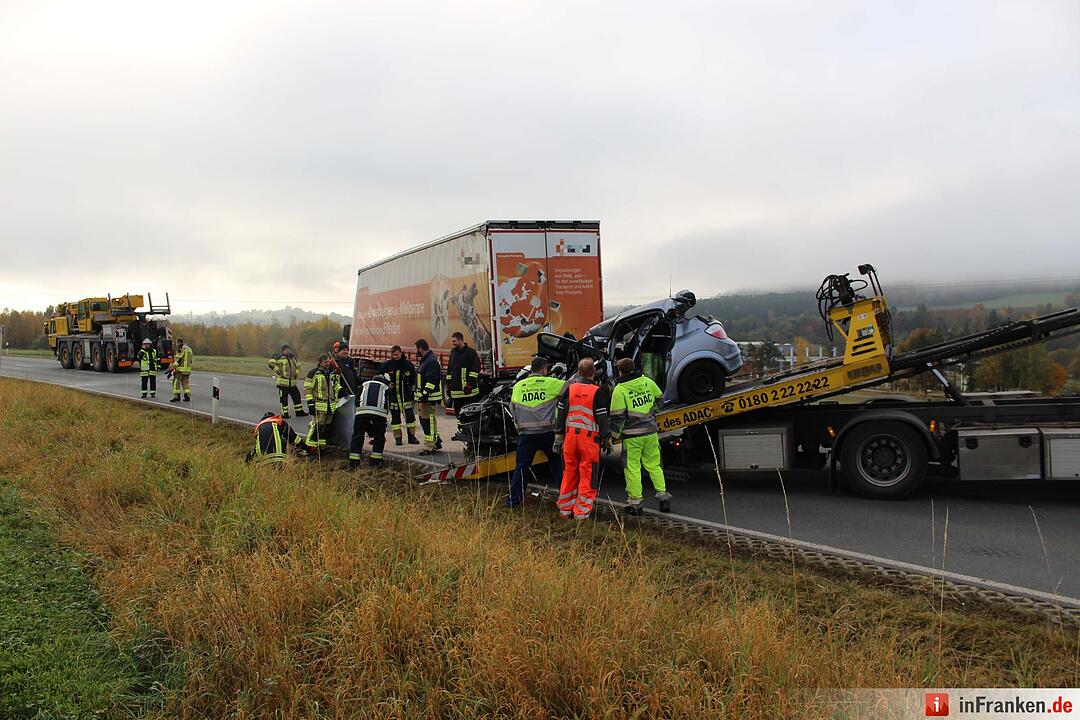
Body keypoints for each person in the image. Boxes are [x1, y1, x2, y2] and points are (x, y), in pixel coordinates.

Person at [610, 357, 671, 515]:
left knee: (632, 468)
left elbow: (617, 417)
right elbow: (660, 399)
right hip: (650, 432)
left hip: (632, 436)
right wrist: (651, 413)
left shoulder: (620, 389)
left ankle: (636, 504)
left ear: (620, 371)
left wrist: (612, 436)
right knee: (654, 466)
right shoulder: (647, 382)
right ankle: (663, 498)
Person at [554, 358, 611, 520]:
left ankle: (565, 510)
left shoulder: (569, 389)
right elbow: (602, 418)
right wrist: (606, 438)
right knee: (588, 475)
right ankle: (581, 513)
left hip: (570, 438)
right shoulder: (597, 392)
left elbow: (561, 414)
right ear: (593, 373)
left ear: (579, 372)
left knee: (569, 473)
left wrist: (558, 436)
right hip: (589, 440)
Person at [507, 356, 566, 508]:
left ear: (531, 369)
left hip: (526, 434)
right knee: (556, 464)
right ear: (545, 369)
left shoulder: (518, 386)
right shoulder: (552, 383)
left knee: (521, 467)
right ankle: (566, 499)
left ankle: (514, 501)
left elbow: (512, 407)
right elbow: (572, 389)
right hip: (547, 433)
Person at [378, 345, 419, 446]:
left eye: (397, 354)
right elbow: (379, 375)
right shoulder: (388, 364)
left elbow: (414, 380)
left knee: (410, 418)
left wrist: (413, 394)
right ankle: (398, 438)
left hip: (406, 396)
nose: (395, 357)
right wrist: (387, 383)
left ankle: (412, 437)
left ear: (401, 353)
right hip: (394, 396)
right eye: (393, 355)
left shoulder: (408, 365)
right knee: (395, 419)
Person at [350, 374, 391, 468]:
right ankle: (375, 462)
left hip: (362, 412)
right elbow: (388, 404)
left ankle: (354, 462)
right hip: (380, 413)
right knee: (379, 436)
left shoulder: (364, 385)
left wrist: (368, 428)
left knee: (357, 435)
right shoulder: (385, 388)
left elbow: (356, 400)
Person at [414, 339, 444, 456]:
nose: (415, 351)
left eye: (416, 349)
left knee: (427, 422)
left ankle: (429, 446)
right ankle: (436, 441)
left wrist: (425, 394)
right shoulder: (427, 360)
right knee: (427, 420)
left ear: (420, 348)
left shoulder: (431, 361)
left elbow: (432, 380)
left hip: (428, 398)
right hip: (425, 398)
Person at [303, 353, 335, 455]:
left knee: (325, 428)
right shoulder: (313, 373)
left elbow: (335, 385)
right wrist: (310, 404)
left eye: (328, 361)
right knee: (316, 427)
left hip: (330, 406)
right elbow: (307, 389)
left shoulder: (331, 373)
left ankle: (321, 448)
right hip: (320, 405)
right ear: (320, 362)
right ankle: (309, 448)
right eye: (325, 362)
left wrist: (341, 390)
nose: (327, 364)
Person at [445, 331, 481, 414]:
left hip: (469, 393)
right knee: (459, 415)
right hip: (456, 392)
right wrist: (448, 385)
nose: (453, 343)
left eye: (454, 341)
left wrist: (469, 385)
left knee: (470, 415)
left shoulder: (471, 352)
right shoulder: (453, 352)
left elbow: (475, 370)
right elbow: (450, 370)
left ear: (460, 340)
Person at [268, 344, 307, 418]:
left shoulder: (292, 358)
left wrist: (296, 374)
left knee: (297, 397)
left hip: (292, 383)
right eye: (286, 349)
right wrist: (278, 371)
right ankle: (284, 414)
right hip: (283, 383)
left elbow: (298, 365)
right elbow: (270, 362)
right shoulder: (279, 357)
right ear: (283, 350)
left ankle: (299, 412)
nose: (288, 351)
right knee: (284, 400)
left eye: (289, 349)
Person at [170, 337, 193, 402]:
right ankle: (187, 397)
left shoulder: (181, 349)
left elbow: (179, 359)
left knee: (176, 383)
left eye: (177, 343)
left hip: (180, 370)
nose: (176, 344)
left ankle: (176, 397)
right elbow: (191, 360)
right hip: (187, 370)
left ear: (179, 342)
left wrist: (173, 367)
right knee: (185, 383)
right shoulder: (189, 349)